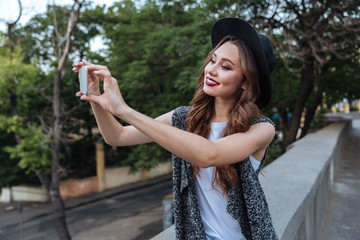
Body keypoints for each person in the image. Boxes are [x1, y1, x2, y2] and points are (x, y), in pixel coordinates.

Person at [73, 17, 278, 240]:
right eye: (213, 60)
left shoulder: (261, 129)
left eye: (226, 66)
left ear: (245, 82)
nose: (212, 70)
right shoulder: (184, 117)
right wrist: (96, 99)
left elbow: (209, 154)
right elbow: (117, 136)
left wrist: (123, 109)